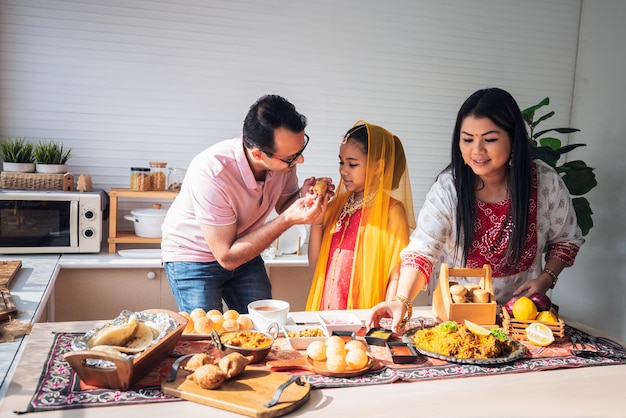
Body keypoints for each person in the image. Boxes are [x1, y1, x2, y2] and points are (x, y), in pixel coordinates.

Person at [368, 88, 584, 332]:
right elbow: (422, 251)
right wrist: (402, 301)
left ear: (513, 140)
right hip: (454, 321)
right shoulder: (448, 188)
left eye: (489, 139)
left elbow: (566, 240)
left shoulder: (545, 182)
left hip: (520, 320)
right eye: (468, 139)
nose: (477, 151)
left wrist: (546, 279)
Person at [161, 94, 324, 314]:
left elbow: (285, 204)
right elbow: (227, 256)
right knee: (207, 336)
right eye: (291, 158)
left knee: (263, 329)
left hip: (242, 250)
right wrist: (286, 220)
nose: (299, 161)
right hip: (193, 257)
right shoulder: (212, 172)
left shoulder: (282, 162)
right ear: (257, 153)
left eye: (300, 151)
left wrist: (304, 198)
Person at [306, 121, 415, 310]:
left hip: (366, 314)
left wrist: (386, 318)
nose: (343, 170)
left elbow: (396, 275)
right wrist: (316, 223)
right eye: (341, 162)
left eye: (352, 164)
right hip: (327, 310)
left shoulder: (392, 212)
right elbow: (317, 269)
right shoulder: (335, 207)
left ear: (378, 166)